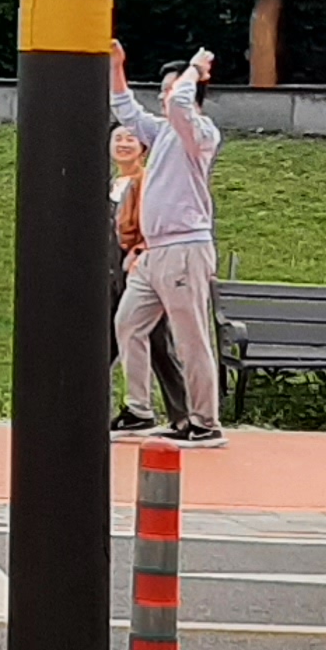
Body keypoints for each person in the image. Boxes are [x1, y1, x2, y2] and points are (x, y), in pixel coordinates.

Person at [107, 39, 226, 447]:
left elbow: (179, 105)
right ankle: (139, 410)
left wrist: (195, 69)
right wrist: (117, 66)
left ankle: (205, 422)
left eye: (168, 88)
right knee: (127, 323)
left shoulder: (201, 133)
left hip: (185, 249)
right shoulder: (161, 133)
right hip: (155, 252)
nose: (163, 96)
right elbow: (125, 108)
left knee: (191, 337)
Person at [103, 126, 191, 431]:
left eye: (131, 139)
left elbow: (154, 224)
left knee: (157, 342)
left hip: (140, 269)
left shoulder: (149, 182)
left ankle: (182, 412)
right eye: (118, 138)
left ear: (143, 148)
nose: (123, 144)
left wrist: (141, 252)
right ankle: (126, 409)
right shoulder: (110, 185)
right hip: (111, 271)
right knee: (107, 341)